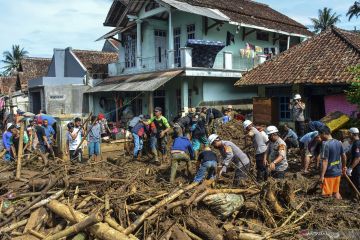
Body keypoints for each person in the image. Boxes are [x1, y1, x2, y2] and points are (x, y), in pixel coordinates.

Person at [319, 126, 347, 199]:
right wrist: (344, 167)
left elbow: (325, 161)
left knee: (327, 196)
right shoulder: (338, 142)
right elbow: (344, 156)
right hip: (337, 172)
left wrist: (322, 175)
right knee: (336, 192)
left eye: (320, 134)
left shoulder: (325, 144)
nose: (319, 136)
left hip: (329, 173)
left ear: (324, 133)